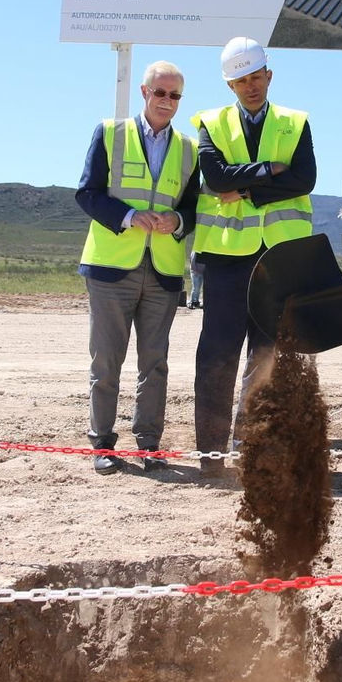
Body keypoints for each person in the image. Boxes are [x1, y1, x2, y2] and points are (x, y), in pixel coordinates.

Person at [191, 37, 317, 477]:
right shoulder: (211, 123)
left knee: (266, 357)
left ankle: (251, 447)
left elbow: (304, 180)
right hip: (226, 258)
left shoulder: (295, 123)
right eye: (241, 80)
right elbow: (213, 177)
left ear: (269, 75)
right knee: (218, 355)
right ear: (230, 84)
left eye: (256, 77)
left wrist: (244, 188)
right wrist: (269, 171)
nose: (251, 86)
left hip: (279, 258)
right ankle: (211, 454)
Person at [75, 60, 201, 474]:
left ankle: (149, 444)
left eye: (175, 95)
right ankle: (102, 443)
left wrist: (176, 221)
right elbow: (87, 193)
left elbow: (193, 208)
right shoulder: (110, 133)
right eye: (160, 92)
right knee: (106, 361)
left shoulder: (189, 149)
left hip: (163, 271)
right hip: (111, 266)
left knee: (155, 362)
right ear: (145, 92)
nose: (167, 101)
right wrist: (129, 217)